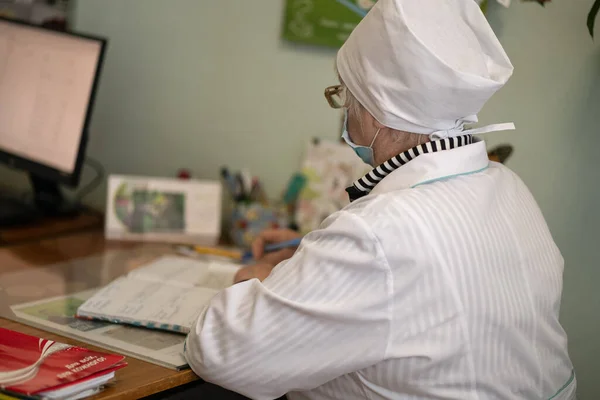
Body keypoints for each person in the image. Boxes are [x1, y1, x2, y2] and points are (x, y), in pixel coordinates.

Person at [184, 0, 576, 399]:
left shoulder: (379, 234)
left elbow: (218, 351)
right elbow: (426, 276)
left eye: (345, 97)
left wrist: (260, 276)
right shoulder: (507, 185)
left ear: (375, 111)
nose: (344, 118)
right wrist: (312, 256)